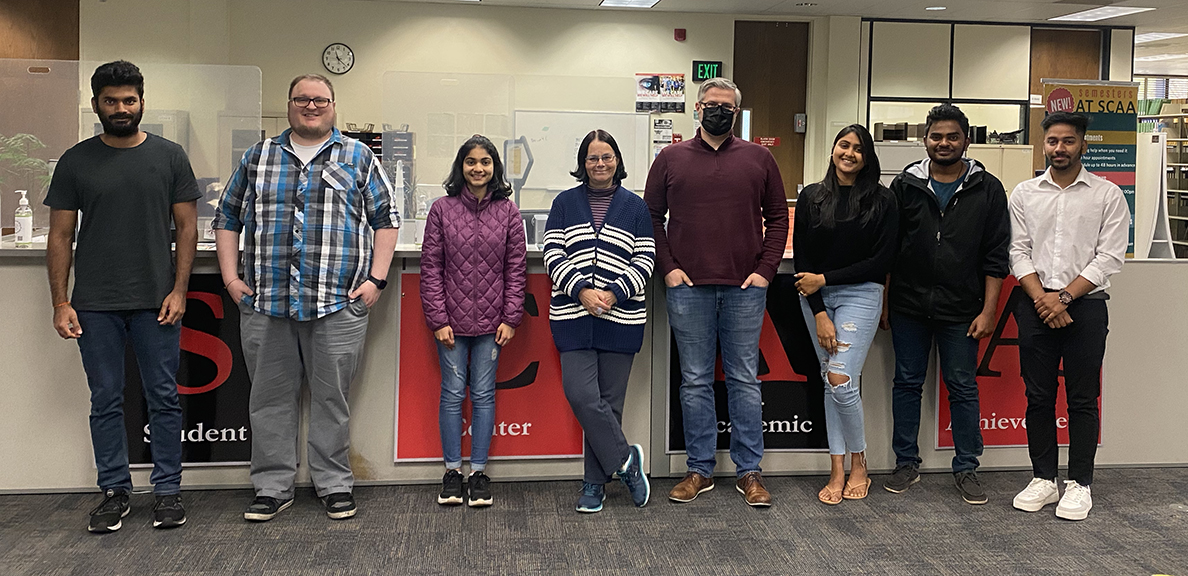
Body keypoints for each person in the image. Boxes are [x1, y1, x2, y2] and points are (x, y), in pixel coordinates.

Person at [214, 74, 400, 522]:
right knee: (268, 399)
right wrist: (230, 279)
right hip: (266, 302)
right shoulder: (258, 157)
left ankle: (333, 483)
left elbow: (386, 219)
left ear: (333, 105)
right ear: (290, 103)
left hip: (337, 304)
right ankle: (272, 486)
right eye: (302, 99)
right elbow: (227, 217)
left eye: (320, 100)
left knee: (331, 400)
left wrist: (375, 280)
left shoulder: (358, 156)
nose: (311, 106)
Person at [45, 60, 199, 532]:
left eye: (129, 100)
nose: (120, 108)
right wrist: (60, 301)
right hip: (94, 304)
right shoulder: (76, 160)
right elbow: (59, 236)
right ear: (96, 105)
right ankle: (114, 490)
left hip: (157, 301)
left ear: (142, 103)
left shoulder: (170, 156)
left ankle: (168, 491)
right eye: (110, 101)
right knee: (106, 399)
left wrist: (179, 289)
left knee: (164, 398)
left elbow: (188, 227)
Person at [644, 77, 788, 507]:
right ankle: (699, 469)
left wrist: (765, 271)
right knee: (694, 381)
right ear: (697, 109)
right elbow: (650, 217)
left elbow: (778, 218)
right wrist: (668, 268)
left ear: (737, 112)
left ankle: (750, 472)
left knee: (745, 380)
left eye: (727, 105)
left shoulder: (760, 159)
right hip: (688, 288)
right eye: (711, 104)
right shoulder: (669, 159)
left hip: (746, 289)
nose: (718, 110)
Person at [883, 104, 1011, 505]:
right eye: (936, 136)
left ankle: (967, 466)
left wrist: (989, 310)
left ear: (966, 141)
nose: (944, 143)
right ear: (925, 140)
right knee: (906, 382)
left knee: (962, 386)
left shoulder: (987, 188)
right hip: (908, 305)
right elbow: (888, 250)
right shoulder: (905, 186)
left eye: (952, 136)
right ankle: (906, 462)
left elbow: (995, 255)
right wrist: (886, 304)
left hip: (963, 309)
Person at [1008, 112, 1128, 521]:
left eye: (1068, 141)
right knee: (1038, 397)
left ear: (1083, 146)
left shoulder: (1107, 195)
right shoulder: (1024, 193)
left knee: (1082, 399)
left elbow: (1109, 256)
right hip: (1035, 303)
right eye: (1053, 141)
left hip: (1086, 306)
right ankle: (1043, 478)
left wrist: (1063, 298)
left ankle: (1079, 483)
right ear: (1044, 145)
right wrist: (1044, 299)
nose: (1060, 148)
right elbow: (1017, 251)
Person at [544, 129, 654, 513]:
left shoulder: (635, 207)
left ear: (618, 161)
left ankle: (594, 485)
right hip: (573, 316)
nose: (600, 164)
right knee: (581, 394)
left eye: (607, 157)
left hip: (620, 318)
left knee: (610, 402)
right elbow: (552, 254)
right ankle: (626, 462)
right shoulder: (564, 203)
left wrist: (612, 294)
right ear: (583, 164)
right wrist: (582, 291)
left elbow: (646, 260)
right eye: (592, 158)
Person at [793, 124, 897, 505]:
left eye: (857, 148)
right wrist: (819, 310)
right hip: (817, 298)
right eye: (843, 145)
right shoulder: (811, 197)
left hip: (863, 294)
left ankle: (859, 462)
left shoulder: (883, 201)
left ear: (867, 157)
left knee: (840, 377)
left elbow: (881, 261)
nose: (849, 153)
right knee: (830, 380)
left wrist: (826, 278)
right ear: (833, 149)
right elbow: (803, 261)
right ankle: (837, 468)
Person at [421, 135, 526, 508]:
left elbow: (516, 270)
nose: (478, 168)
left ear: (495, 167)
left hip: (493, 325)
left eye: (485, 162)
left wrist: (511, 317)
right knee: (452, 395)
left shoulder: (509, 212)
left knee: (483, 396)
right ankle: (452, 472)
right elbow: (431, 268)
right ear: (460, 167)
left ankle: (479, 473)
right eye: (470, 162)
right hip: (449, 323)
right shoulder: (442, 210)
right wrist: (437, 319)